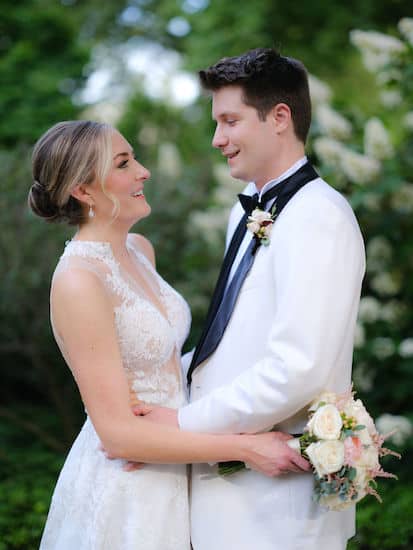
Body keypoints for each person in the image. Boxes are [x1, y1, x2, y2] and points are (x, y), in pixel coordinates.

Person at [28, 120, 309, 550]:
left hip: (181, 456)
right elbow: (118, 435)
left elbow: (161, 362)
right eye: (124, 164)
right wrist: (248, 448)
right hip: (131, 486)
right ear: (83, 191)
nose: (144, 171)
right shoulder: (78, 281)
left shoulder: (140, 249)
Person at [137, 48, 366, 549]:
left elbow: (298, 366)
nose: (218, 139)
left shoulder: (318, 215)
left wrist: (182, 423)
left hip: (279, 503)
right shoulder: (244, 214)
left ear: (279, 117)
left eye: (230, 120)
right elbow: (233, 342)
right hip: (232, 492)